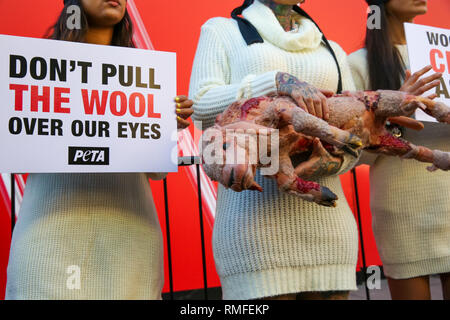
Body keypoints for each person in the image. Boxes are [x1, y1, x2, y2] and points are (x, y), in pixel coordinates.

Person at [6, 0, 194, 300]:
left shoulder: (145, 77)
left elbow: (157, 171)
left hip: (129, 244)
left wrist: (168, 126)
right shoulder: (33, 67)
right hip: (49, 245)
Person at [189, 0, 362, 300]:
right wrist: (277, 82)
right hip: (254, 233)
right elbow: (201, 107)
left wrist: (331, 163)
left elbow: (356, 135)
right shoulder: (223, 31)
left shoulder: (331, 50)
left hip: (331, 232)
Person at [348, 0, 450, 300]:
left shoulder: (444, 53)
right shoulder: (359, 64)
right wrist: (390, 113)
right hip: (403, 209)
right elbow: (354, 151)